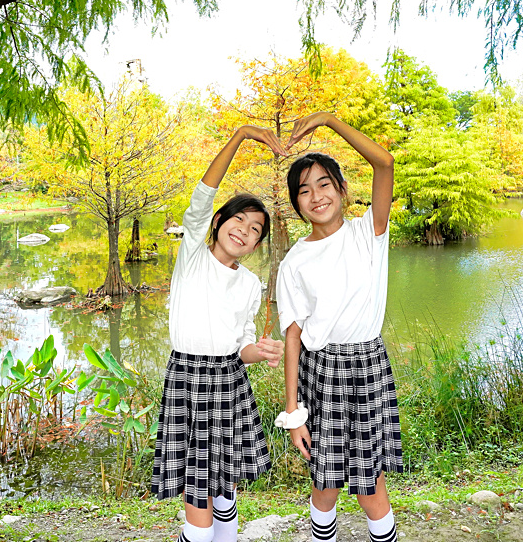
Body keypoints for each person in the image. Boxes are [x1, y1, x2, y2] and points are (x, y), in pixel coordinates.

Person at [151, 125, 286, 542]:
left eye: (255, 230)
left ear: (256, 244)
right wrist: (241, 135)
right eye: (238, 220)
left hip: (230, 381)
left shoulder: (250, 284)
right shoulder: (192, 255)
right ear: (219, 222)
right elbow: (202, 194)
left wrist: (258, 351)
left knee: (224, 484)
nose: (244, 231)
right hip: (188, 379)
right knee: (198, 490)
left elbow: (240, 344)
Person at [276, 112, 402, 542]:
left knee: (371, 488)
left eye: (324, 184)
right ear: (296, 203)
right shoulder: (294, 261)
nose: (315, 196)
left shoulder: (368, 232)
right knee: (325, 486)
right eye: (304, 190)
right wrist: (293, 414)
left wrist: (328, 121)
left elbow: (383, 163)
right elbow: (293, 336)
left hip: (367, 367)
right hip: (322, 371)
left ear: (342, 190)